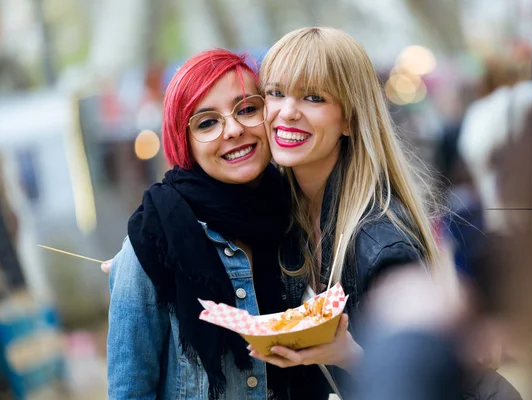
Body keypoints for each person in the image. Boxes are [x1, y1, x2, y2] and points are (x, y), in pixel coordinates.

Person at [247, 27, 452, 398]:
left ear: (348, 119)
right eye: (275, 93)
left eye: (313, 97)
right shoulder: (277, 212)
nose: (287, 112)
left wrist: (350, 356)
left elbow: (419, 380)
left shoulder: (384, 245)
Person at [106, 49, 294, 400]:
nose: (234, 129)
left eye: (247, 109)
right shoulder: (153, 240)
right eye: (207, 122)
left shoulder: (296, 213)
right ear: (185, 141)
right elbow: (129, 391)